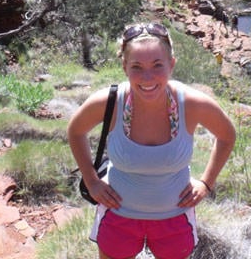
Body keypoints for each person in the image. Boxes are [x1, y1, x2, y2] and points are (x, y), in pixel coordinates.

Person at [68, 22, 236, 259]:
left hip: (175, 219)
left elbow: (227, 135)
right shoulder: (110, 102)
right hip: (118, 216)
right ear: (125, 67)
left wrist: (206, 183)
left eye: (158, 65)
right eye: (137, 66)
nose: (148, 77)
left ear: (172, 64)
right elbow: (75, 131)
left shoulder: (191, 104)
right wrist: (92, 181)